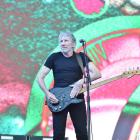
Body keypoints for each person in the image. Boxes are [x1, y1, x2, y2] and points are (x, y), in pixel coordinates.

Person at [37, 30, 101, 140]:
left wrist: (81, 82)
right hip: (58, 99)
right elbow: (40, 77)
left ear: (73, 44)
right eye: (60, 41)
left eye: (66, 40)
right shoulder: (54, 57)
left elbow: (96, 74)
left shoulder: (81, 57)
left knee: (82, 133)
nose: (63, 43)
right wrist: (47, 94)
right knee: (58, 134)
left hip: (77, 98)